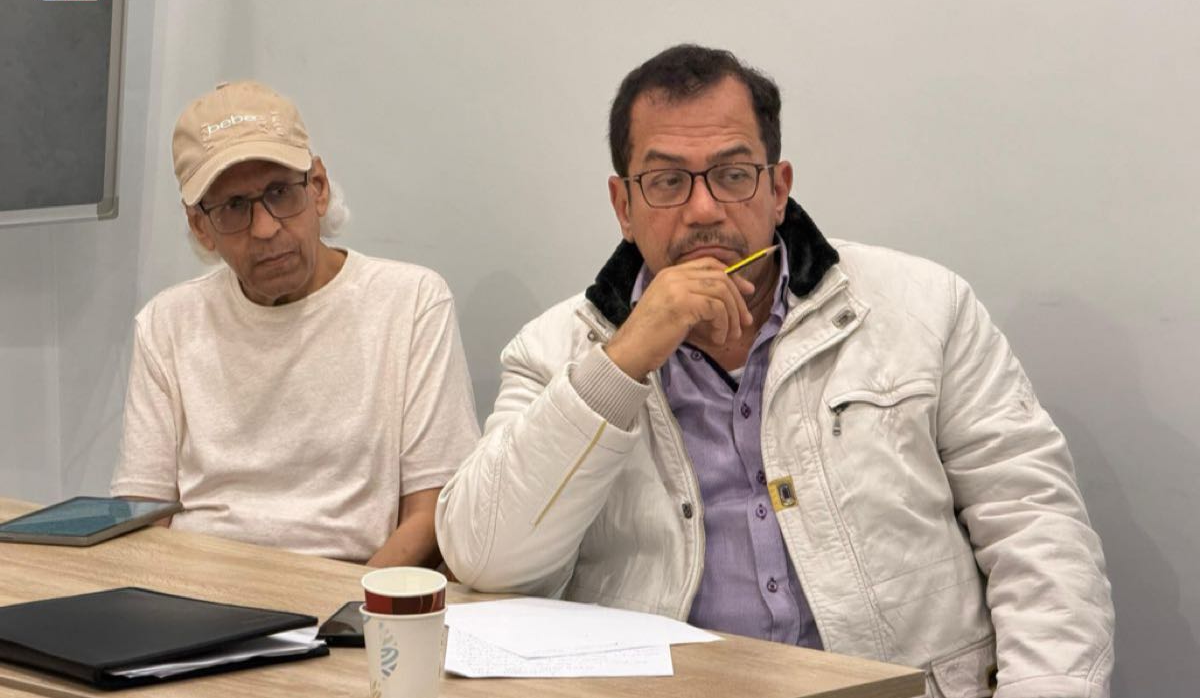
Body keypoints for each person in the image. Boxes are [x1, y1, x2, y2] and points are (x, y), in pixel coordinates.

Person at [436, 45, 1114, 697]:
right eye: (667, 181)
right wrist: (624, 359)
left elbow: (1036, 529)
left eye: (733, 175)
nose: (704, 209)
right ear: (624, 207)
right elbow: (485, 558)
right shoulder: (557, 349)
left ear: (778, 188)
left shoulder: (924, 308)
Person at [112, 80, 480, 566]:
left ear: (318, 189)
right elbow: (143, 515)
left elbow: (433, 511)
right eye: (234, 207)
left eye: (280, 193)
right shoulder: (167, 324)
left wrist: (349, 603)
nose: (265, 228)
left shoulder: (410, 302)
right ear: (201, 227)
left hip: (349, 585)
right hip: (195, 584)